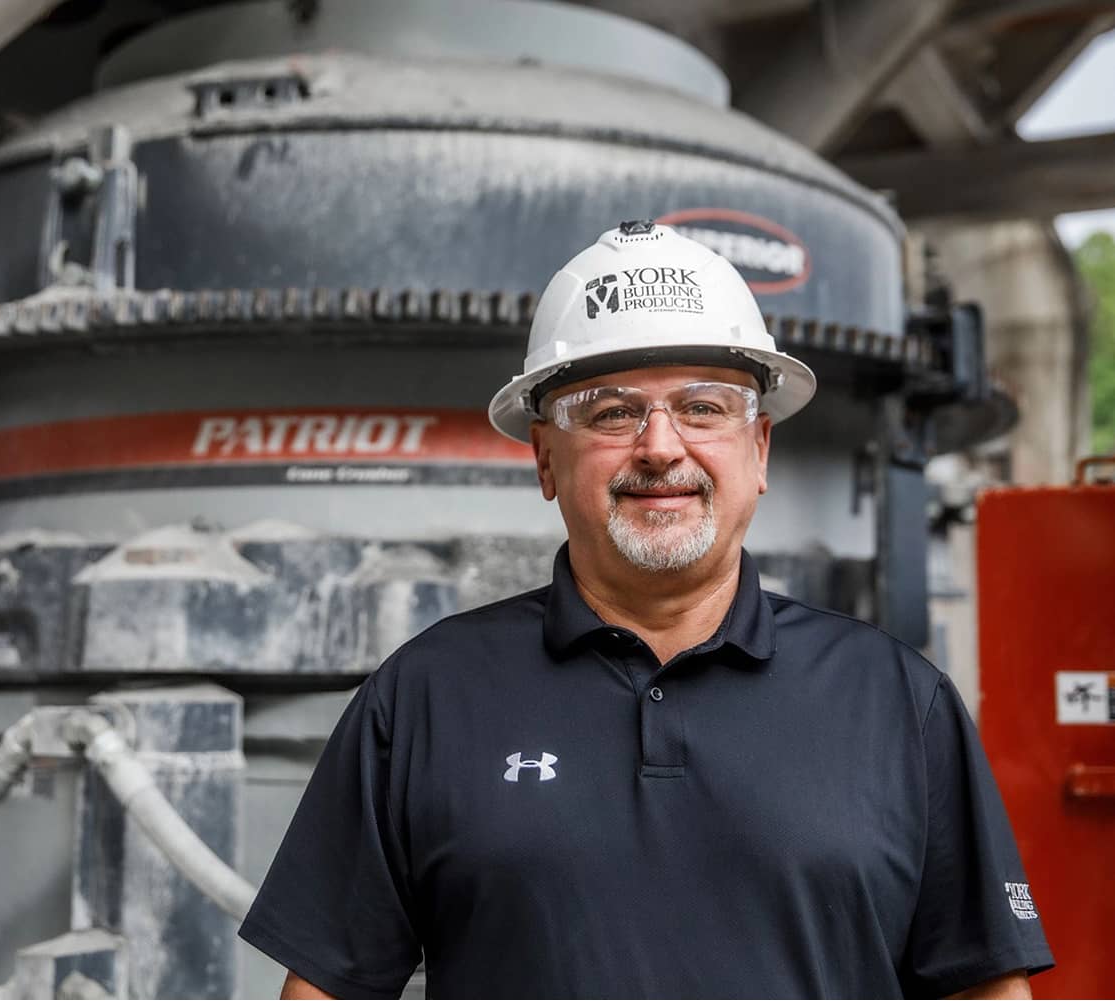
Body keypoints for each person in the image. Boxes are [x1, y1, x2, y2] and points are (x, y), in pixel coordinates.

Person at [240, 221, 1053, 999]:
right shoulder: (424, 697)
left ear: (758, 449)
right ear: (546, 459)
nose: (661, 446)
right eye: (612, 412)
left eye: (703, 407)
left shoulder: (898, 702)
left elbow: (982, 984)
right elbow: (327, 989)